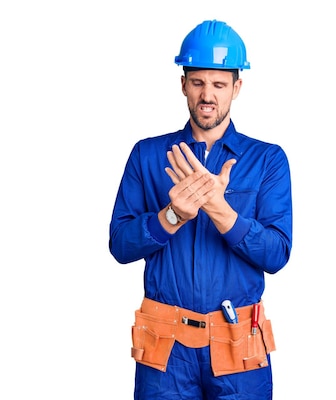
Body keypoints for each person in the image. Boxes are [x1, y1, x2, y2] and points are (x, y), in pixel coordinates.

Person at [108, 19, 293, 400]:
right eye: (198, 82)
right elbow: (120, 246)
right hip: (165, 349)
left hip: (239, 349)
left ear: (236, 88)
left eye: (219, 84)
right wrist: (170, 217)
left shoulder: (268, 160)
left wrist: (219, 209)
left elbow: (277, 254)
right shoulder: (147, 155)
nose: (207, 95)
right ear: (183, 85)